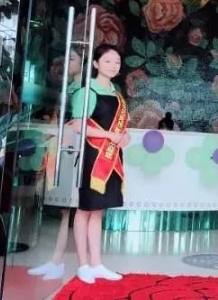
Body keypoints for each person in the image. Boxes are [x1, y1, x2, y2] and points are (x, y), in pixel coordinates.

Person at [69, 44, 129, 283]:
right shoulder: (86, 91)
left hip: (112, 157)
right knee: (85, 208)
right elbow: (78, 125)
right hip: (92, 158)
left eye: (117, 62)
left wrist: (125, 137)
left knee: (98, 210)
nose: (113, 66)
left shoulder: (117, 94)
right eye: (107, 61)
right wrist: (110, 136)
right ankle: (82, 264)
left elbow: (120, 128)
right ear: (95, 64)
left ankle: (96, 263)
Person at [28, 47, 86, 280]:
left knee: (70, 207)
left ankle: (67, 261)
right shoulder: (67, 88)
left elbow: (80, 122)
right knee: (64, 208)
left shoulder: (82, 90)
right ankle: (56, 260)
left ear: (83, 63)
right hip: (61, 147)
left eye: (71, 59)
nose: (65, 63)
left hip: (74, 149)